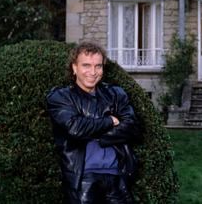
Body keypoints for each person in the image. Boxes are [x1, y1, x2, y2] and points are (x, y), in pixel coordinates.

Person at [47, 42, 141, 204]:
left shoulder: (115, 94)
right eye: (86, 65)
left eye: (98, 66)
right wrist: (111, 120)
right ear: (74, 68)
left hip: (117, 176)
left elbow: (133, 127)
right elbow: (75, 128)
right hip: (83, 177)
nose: (93, 72)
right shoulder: (60, 97)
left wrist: (95, 134)